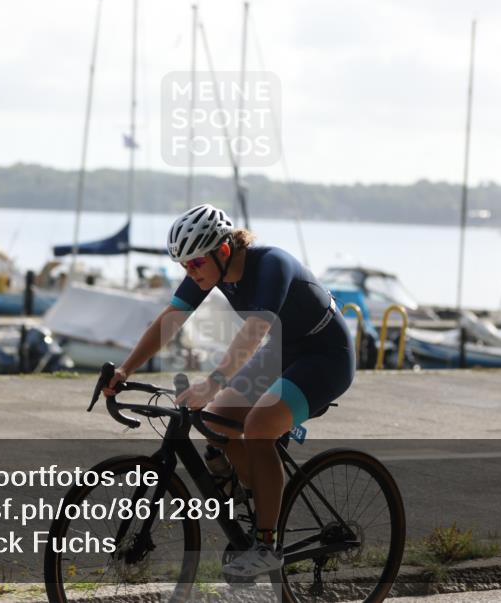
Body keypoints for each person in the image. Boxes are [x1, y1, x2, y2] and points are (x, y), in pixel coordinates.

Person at [104, 204, 356, 577]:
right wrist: (125, 368)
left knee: (258, 427)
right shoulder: (208, 269)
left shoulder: (272, 264)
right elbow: (169, 321)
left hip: (326, 356)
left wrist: (213, 382)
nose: (189, 272)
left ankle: (267, 545)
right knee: (218, 421)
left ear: (223, 250)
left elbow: (255, 330)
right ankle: (258, 498)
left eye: (194, 264)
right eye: (183, 266)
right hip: (284, 350)